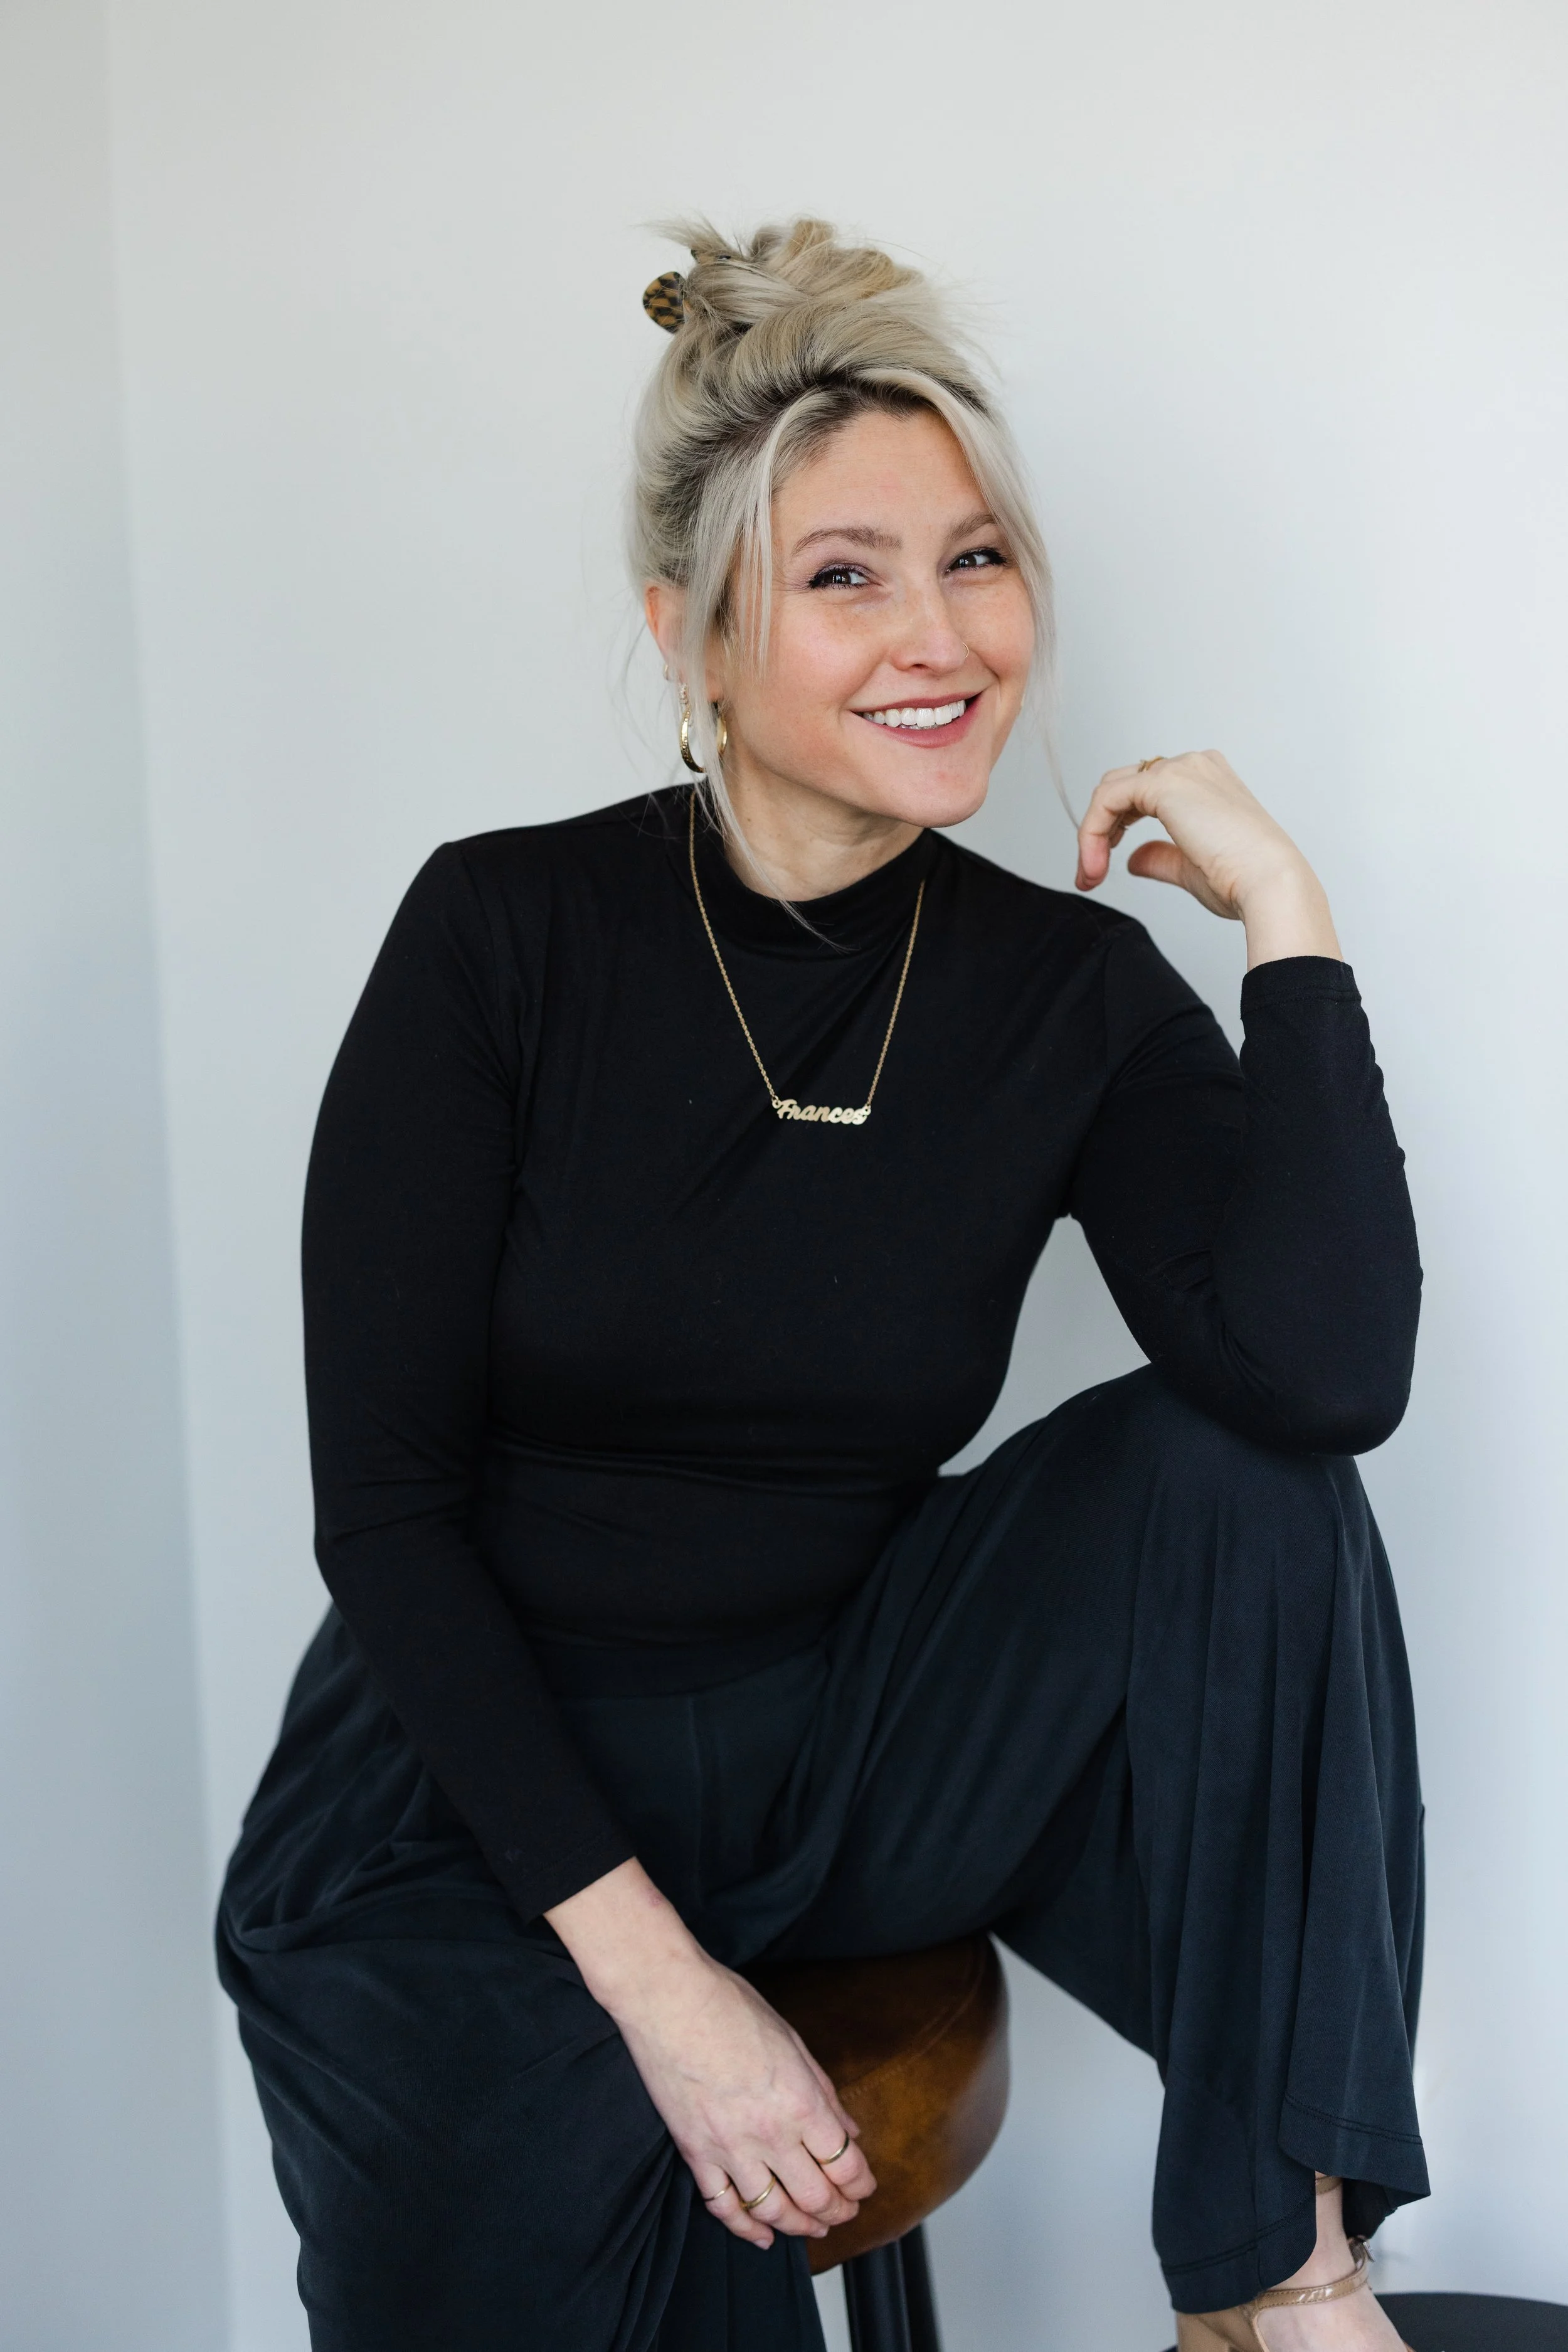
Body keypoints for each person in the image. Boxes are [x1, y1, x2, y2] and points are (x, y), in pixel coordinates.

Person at [218, 218, 1428, 2352]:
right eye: (844, 574)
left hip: (840, 1744)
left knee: (1239, 1481)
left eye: (974, 558)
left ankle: (1270, 2272)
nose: (935, 632)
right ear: (689, 634)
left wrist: (1289, 927)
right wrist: (673, 1998)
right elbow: (383, 1510)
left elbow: (1317, 1380)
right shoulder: (505, 936)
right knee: (604, 2230)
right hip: (468, 1798)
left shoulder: (1068, 992)